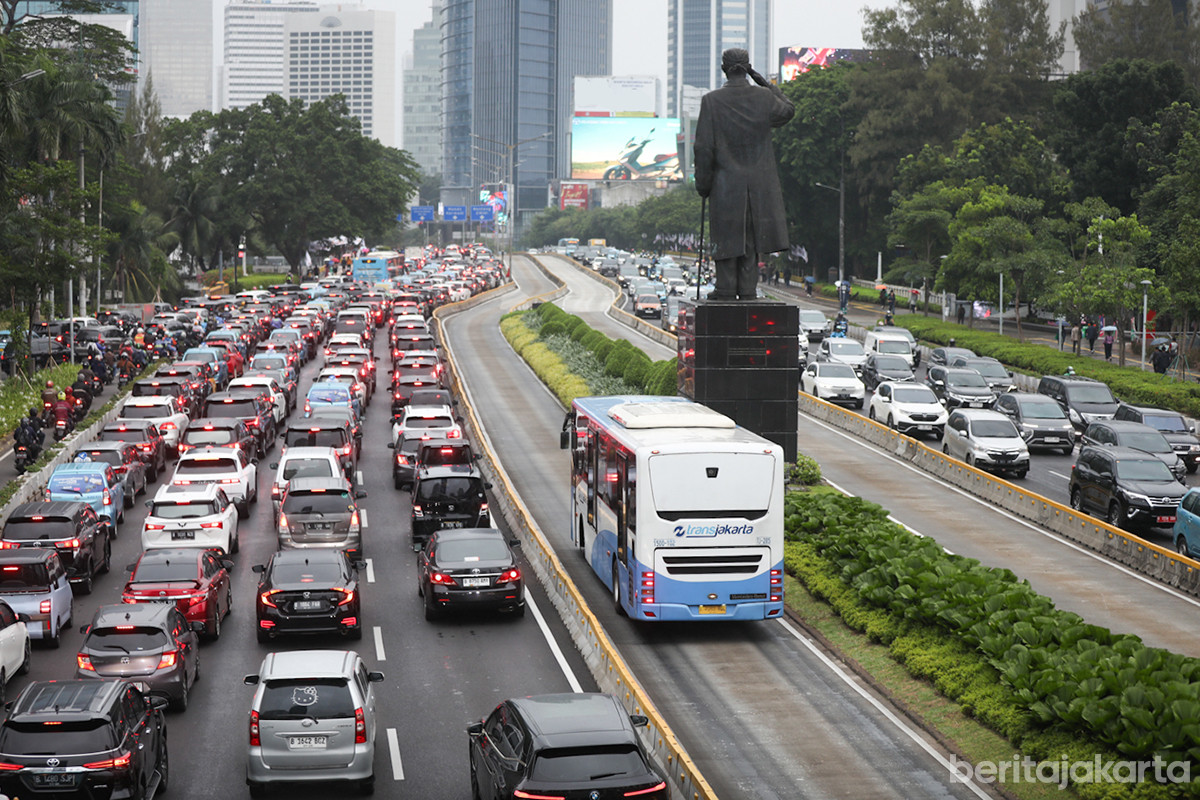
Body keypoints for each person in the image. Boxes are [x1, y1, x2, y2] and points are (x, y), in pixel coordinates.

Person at [693, 48, 795, 301]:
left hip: (725, 183)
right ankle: (748, 290)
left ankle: (726, 288)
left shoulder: (712, 101)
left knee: (726, 237)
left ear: (723, 68)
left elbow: (703, 147)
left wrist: (703, 184)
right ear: (747, 67)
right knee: (751, 239)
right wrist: (764, 82)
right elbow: (788, 110)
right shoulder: (763, 98)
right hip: (759, 184)